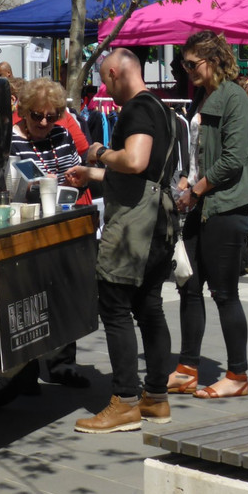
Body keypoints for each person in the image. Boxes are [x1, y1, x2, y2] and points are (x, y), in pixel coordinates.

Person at [64, 48, 179, 433]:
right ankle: (156, 397)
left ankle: (125, 401)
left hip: (135, 228)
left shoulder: (136, 109)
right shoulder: (163, 110)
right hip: (160, 223)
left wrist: (98, 153)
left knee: (114, 306)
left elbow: (134, 161)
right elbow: (145, 176)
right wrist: (92, 176)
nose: (103, 89)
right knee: (149, 307)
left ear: (114, 72)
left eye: (102, 79)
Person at [168, 30, 248, 399]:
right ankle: (187, 369)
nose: (186, 69)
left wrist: (196, 189)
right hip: (200, 203)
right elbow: (198, 152)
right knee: (189, 286)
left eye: (192, 63)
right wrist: (184, 178)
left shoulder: (234, 97)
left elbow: (233, 157)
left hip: (225, 206)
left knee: (224, 293)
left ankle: (237, 375)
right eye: (184, 63)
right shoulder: (203, 96)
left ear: (213, 60)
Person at [9, 78, 91, 389]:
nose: (45, 122)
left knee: (63, 294)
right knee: (27, 299)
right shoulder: (11, 140)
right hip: (27, 225)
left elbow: (77, 174)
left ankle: (62, 363)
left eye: (51, 116)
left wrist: (74, 179)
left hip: (61, 224)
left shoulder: (63, 134)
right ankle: (24, 368)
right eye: (37, 116)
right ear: (24, 111)